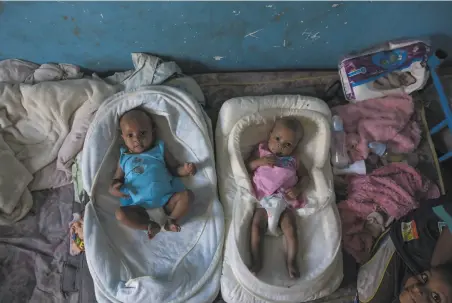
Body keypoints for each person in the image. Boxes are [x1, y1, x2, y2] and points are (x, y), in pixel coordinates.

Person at [109, 108, 196, 239]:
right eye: (130, 135)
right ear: (123, 138)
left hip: (167, 200)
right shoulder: (124, 157)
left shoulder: (159, 149)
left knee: (188, 196)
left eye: (142, 133)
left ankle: (170, 221)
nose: (137, 139)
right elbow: (116, 179)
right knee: (120, 214)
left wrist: (185, 170)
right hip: (138, 207)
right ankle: (148, 225)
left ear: (153, 132)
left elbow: (174, 169)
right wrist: (113, 189)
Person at [246, 117, 307, 279]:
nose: (280, 146)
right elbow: (247, 166)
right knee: (256, 226)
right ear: (270, 133)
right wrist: (260, 161)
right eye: (278, 139)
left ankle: (291, 261)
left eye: (287, 145)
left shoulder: (294, 160)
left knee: (291, 229)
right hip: (264, 200)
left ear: (295, 147)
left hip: (284, 200)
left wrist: (298, 188)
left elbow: (306, 177)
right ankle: (257, 260)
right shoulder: (261, 151)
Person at [360, 196, 452, 303]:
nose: (417, 288)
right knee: (367, 297)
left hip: (417, 259)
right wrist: (437, 264)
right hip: (404, 243)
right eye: (436, 297)